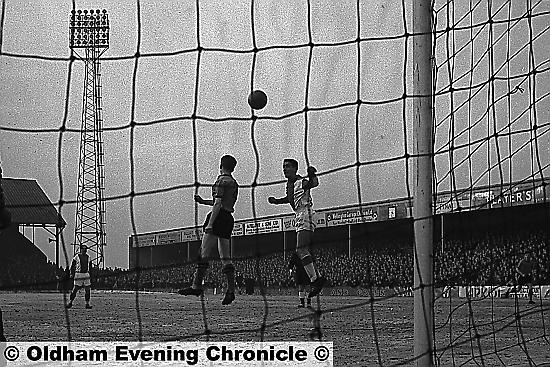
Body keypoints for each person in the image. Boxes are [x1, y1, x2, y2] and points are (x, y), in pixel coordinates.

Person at [179, 155, 239, 305]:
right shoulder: (233, 183)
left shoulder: (220, 181)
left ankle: (196, 286)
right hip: (228, 218)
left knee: (203, 253)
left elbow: (217, 204)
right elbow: (220, 201)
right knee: (225, 257)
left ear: (221, 165)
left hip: (217, 218)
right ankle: (231, 290)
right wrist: (203, 201)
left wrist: (211, 223)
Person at [268, 159, 325, 298]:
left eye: (287, 166)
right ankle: (316, 279)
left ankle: (316, 280)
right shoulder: (289, 184)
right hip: (299, 215)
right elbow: (290, 198)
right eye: (283, 167)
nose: (284, 169)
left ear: (295, 168)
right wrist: (277, 201)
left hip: (306, 213)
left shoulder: (301, 182)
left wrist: (313, 174)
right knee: (301, 251)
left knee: (301, 250)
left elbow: (314, 183)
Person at [66, 244, 93, 309]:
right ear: (81, 249)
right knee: (75, 289)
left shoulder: (88, 257)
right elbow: (73, 266)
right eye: (83, 249)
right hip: (78, 274)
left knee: (87, 289)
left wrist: (91, 275)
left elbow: (90, 267)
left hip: (86, 274)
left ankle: (87, 304)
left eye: (85, 249)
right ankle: (70, 302)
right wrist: (71, 273)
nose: (84, 250)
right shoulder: (76, 257)